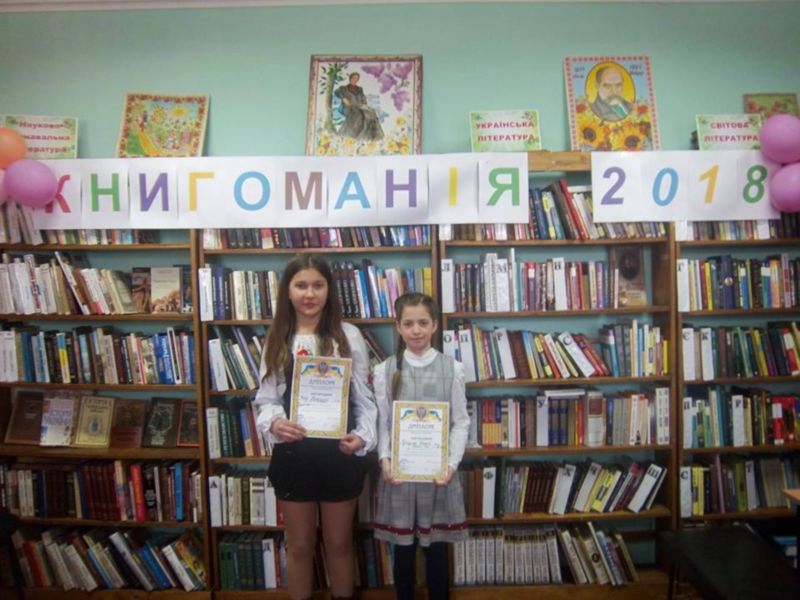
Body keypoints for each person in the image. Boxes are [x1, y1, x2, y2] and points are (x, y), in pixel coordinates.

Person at [255, 254, 377, 600]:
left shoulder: (348, 336)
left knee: (339, 544)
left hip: (340, 454)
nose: (310, 294)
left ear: (329, 290)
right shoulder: (278, 337)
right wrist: (276, 423)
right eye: (301, 285)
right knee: (299, 545)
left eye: (318, 285)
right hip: (294, 455)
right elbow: (266, 398)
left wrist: (363, 437)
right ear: (288, 291)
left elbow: (364, 399)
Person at [373, 292, 470, 600]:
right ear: (398, 326)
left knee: (436, 552)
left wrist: (451, 465)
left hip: (438, 477)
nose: (416, 330)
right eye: (408, 323)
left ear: (435, 325)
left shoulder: (452, 368)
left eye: (423, 323)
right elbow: (383, 422)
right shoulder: (384, 370)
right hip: (399, 477)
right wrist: (385, 459)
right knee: (402, 554)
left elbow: (461, 422)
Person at [334, 72, 384, 141]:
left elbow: (363, 98)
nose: (355, 80)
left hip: (359, 106)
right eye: (354, 78)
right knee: (358, 114)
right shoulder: (343, 88)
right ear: (350, 78)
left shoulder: (360, 89)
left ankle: (373, 136)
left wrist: (364, 105)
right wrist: (343, 98)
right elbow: (337, 92)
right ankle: (354, 136)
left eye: (357, 79)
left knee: (371, 112)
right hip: (349, 107)